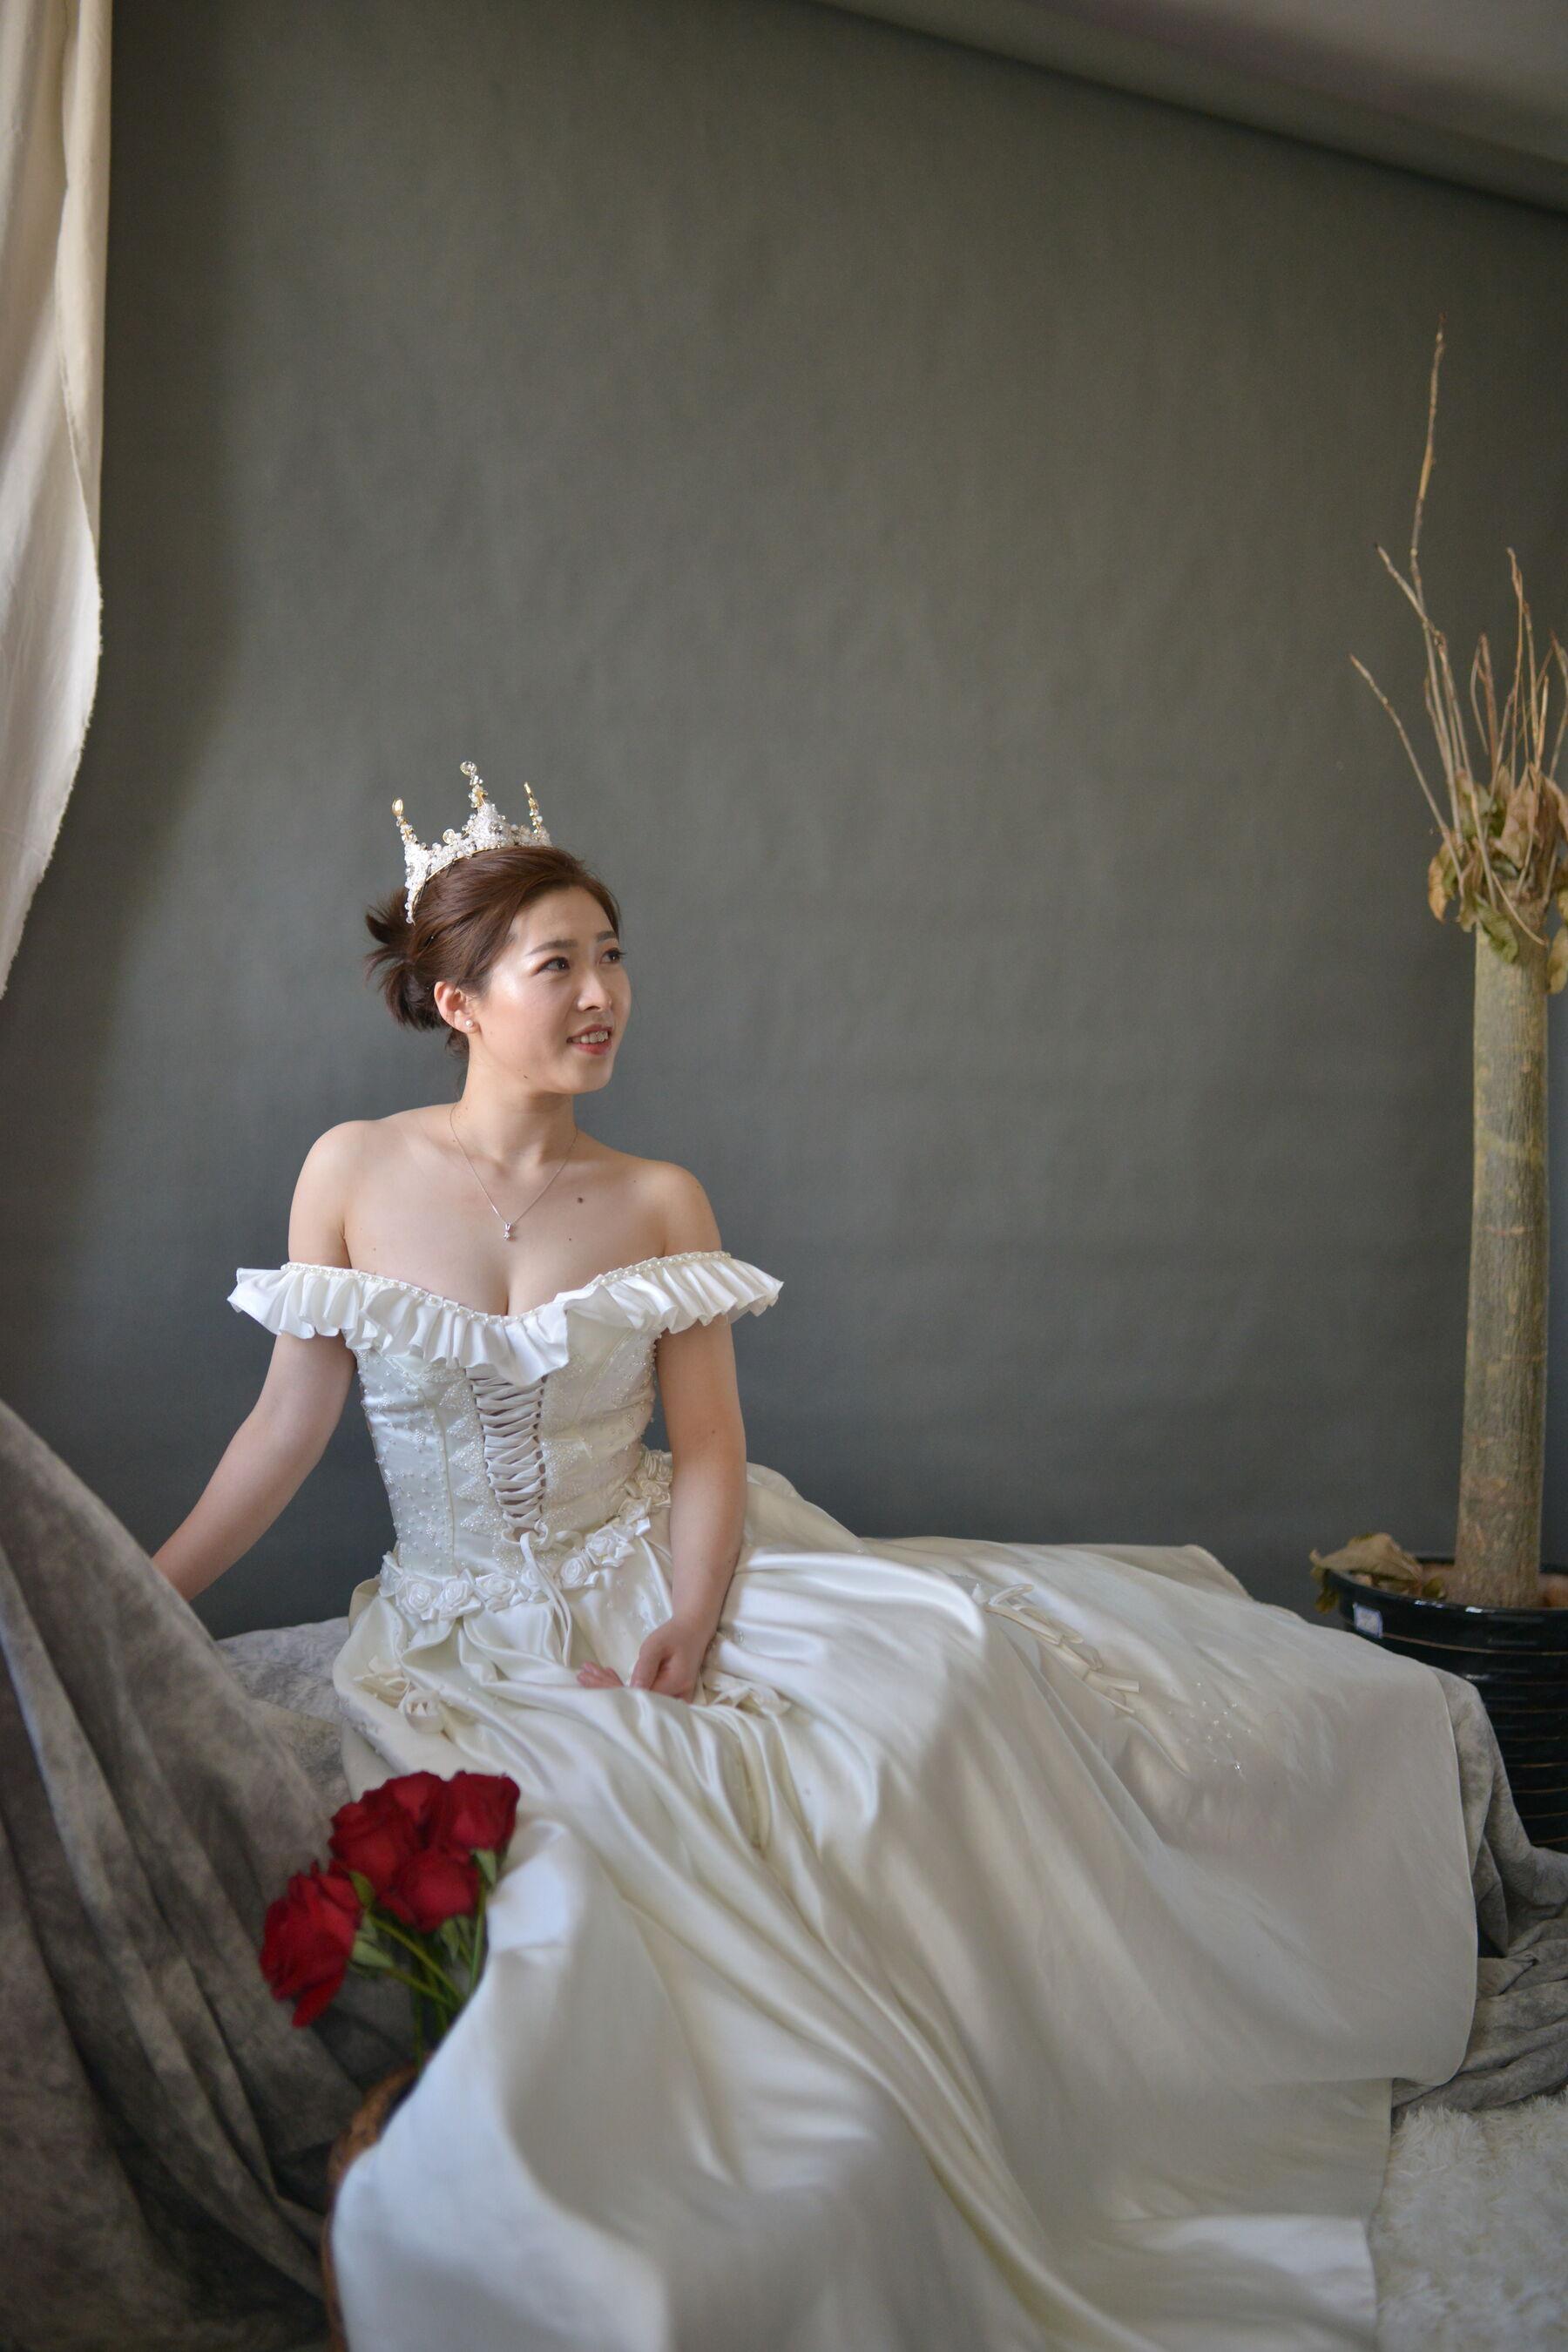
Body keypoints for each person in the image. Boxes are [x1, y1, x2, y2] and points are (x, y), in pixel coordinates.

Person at [154, 763, 1481, 2351]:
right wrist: (146, 1600)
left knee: (946, 1681)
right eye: (557, 965)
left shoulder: (657, 1199)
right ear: (458, 1001)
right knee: (589, 1869)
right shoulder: (354, 1170)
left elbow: (710, 1446)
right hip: (458, 1619)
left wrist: (688, 1618)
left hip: (653, 1560)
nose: (603, 994)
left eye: (613, 956)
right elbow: (284, 1428)